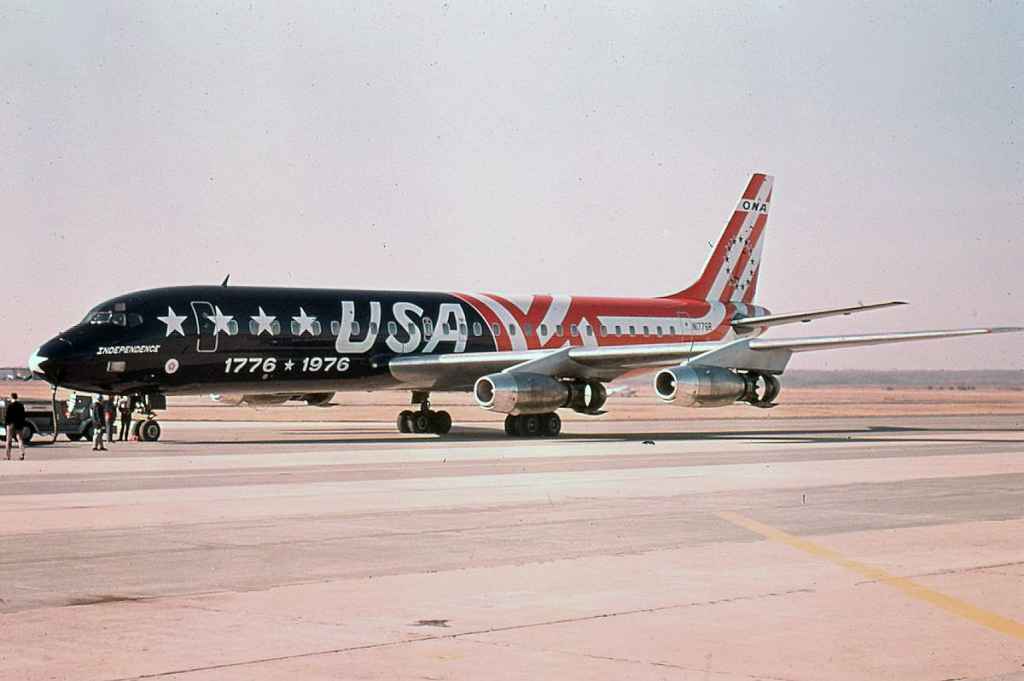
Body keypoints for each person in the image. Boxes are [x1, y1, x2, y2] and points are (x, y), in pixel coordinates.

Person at [4, 392, 26, 460]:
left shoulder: (10, 406)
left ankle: (8, 456)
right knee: (20, 439)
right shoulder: (21, 405)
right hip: (19, 424)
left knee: (8, 440)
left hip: (10, 424)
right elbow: (23, 416)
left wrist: (6, 424)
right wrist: (22, 424)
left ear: (11, 397)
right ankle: (22, 453)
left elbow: (7, 416)